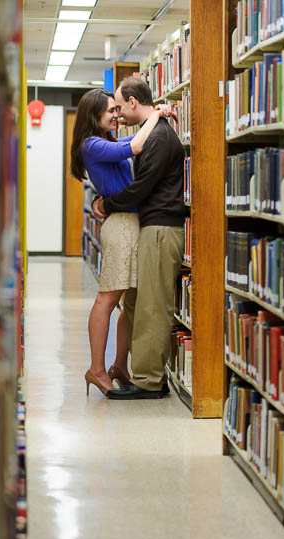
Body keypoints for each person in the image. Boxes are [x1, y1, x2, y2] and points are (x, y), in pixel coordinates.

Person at [71, 89, 173, 396]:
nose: (117, 115)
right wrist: (156, 113)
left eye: (118, 110)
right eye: (111, 111)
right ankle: (96, 369)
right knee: (108, 299)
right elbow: (138, 145)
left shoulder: (108, 141)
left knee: (131, 303)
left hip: (133, 223)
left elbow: (130, 149)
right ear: (94, 115)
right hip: (121, 228)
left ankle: (118, 365)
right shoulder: (92, 144)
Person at [92, 76, 188, 400]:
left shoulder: (158, 138)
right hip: (156, 227)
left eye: (119, 107)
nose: (118, 114)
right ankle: (145, 374)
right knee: (145, 303)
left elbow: (140, 188)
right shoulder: (153, 132)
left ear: (133, 102)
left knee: (152, 306)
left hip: (160, 229)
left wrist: (107, 203)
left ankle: (148, 381)